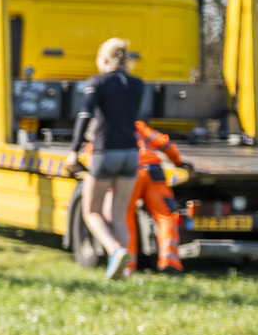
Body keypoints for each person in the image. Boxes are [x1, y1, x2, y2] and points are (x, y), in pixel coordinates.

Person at [66, 36, 145, 279]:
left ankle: (115, 249)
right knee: (119, 214)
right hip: (131, 153)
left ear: (105, 59)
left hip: (105, 151)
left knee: (91, 211)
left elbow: (84, 115)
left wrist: (74, 149)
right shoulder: (137, 84)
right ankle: (125, 273)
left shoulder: (98, 82)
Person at [124, 119, 186, 274]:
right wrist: (178, 162)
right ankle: (170, 261)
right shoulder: (138, 126)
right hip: (153, 172)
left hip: (130, 174)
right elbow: (165, 144)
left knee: (126, 217)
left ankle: (128, 265)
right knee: (166, 215)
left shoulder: (109, 128)